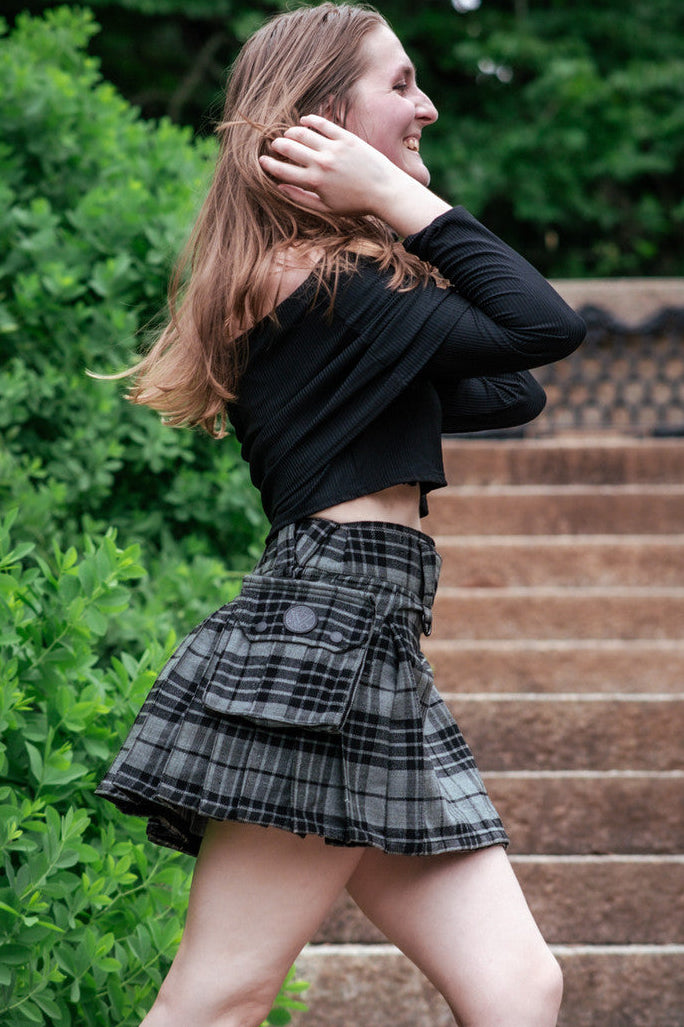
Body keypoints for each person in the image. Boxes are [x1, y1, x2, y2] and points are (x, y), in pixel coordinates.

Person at [96, 4, 586, 1025]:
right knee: (220, 995)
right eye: (401, 84)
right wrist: (404, 201)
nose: (429, 106)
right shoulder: (313, 278)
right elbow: (543, 327)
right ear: (322, 116)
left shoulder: (342, 288)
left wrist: (391, 205)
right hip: (321, 644)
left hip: (371, 639)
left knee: (518, 985)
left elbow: (514, 388)